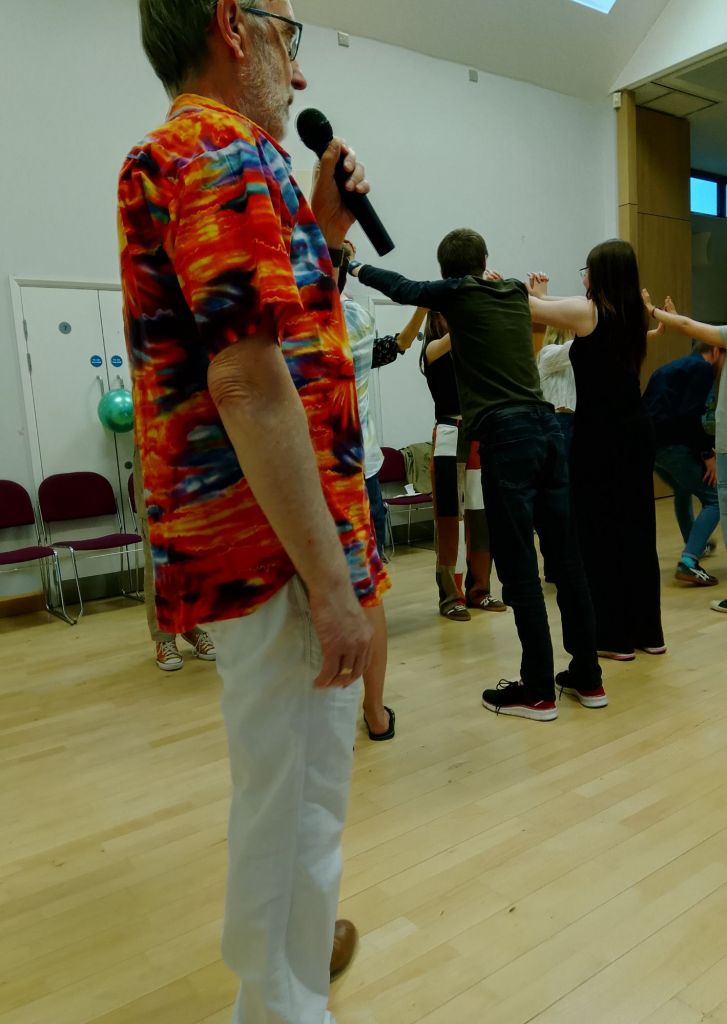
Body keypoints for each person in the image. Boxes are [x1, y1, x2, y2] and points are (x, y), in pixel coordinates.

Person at [120, 3, 389, 1021]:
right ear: (235, 25)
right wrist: (331, 585)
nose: (301, 75)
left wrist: (319, 226)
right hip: (277, 550)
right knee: (297, 802)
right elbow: (245, 378)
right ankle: (281, 1001)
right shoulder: (216, 153)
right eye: (292, 36)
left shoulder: (215, 159)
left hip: (265, 539)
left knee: (295, 789)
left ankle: (290, 967)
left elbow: (269, 334)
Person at [349, 229, 606, 722]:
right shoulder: (511, 289)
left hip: (505, 439)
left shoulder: (456, 293)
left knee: (520, 572)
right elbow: (572, 312)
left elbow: (402, 288)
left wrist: (356, 268)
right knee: (566, 561)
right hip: (547, 430)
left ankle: (538, 691)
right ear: (486, 260)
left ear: (447, 272)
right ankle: (588, 678)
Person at [527, 240, 665, 662]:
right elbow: (555, 305)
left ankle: (613, 637)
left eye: (587, 268)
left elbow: (535, 311)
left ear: (600, 273)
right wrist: (543, 294)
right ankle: (648, 633)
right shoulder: (631, 313)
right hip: (635, 432)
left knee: (598, 533)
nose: (583, 274)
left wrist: (514, 289)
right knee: (637, 530)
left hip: (600, 435)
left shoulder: (590, 312)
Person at [339, 241, 426, 740]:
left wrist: (418, 310)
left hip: (349, 471)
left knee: (344, 594)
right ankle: (373, 712)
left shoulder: (331, 314)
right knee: (360, 593)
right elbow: (388, 349)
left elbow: (390, 350)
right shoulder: (349, 316)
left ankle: (363, 707)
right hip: (349, 471)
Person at [642, 292, 727, 613]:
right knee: (714, 498)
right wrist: (707, 454)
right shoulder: (704, 370)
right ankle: (690, 559)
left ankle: (696, 542)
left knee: (682, 489)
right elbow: (690, 417)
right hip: (670, 444)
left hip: (651, 446)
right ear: (716, 351)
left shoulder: (676, 366)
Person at [421, 311, 506, 620]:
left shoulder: (470, 345)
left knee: (481, 516)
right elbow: (454, 336)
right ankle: (450, 596)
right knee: (449, 519)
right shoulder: (432, 348)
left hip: (476, 433)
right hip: (448, 433)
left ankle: (479, 590)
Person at [133, 449, 216, 670]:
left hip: (191, 473)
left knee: (191, 562)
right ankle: (164, 639)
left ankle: (191, 626)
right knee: (158, 567)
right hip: (155, 466)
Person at [537, 326, 576, 456]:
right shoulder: (547, 353)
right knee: (561, 470)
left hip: (572, 421)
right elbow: (571, 349)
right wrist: (588, 332)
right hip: (557, 420)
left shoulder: (574, 360)